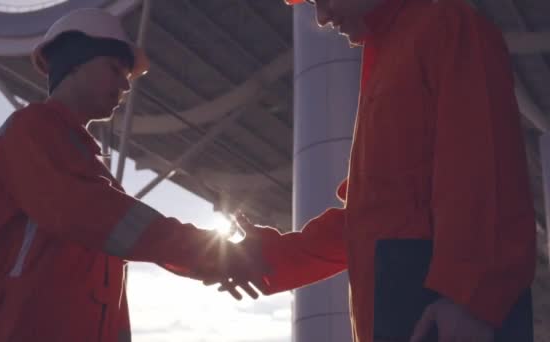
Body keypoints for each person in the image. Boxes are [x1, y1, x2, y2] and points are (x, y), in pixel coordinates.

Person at [213, 0, 537, 341]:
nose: (321, 18)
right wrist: (268, 257)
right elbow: (374, 217)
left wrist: (471, 301)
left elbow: (482, 163)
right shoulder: (394, 47)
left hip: (444, 320)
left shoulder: (446, 25)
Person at [0, 8, 261, 342]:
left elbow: (122, 241)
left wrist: (214, 260)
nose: (125, 86)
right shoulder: (31, 130)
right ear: (74, 62)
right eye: (115, 69)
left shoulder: (85, 166)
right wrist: (212, 254)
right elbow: (91, 213)